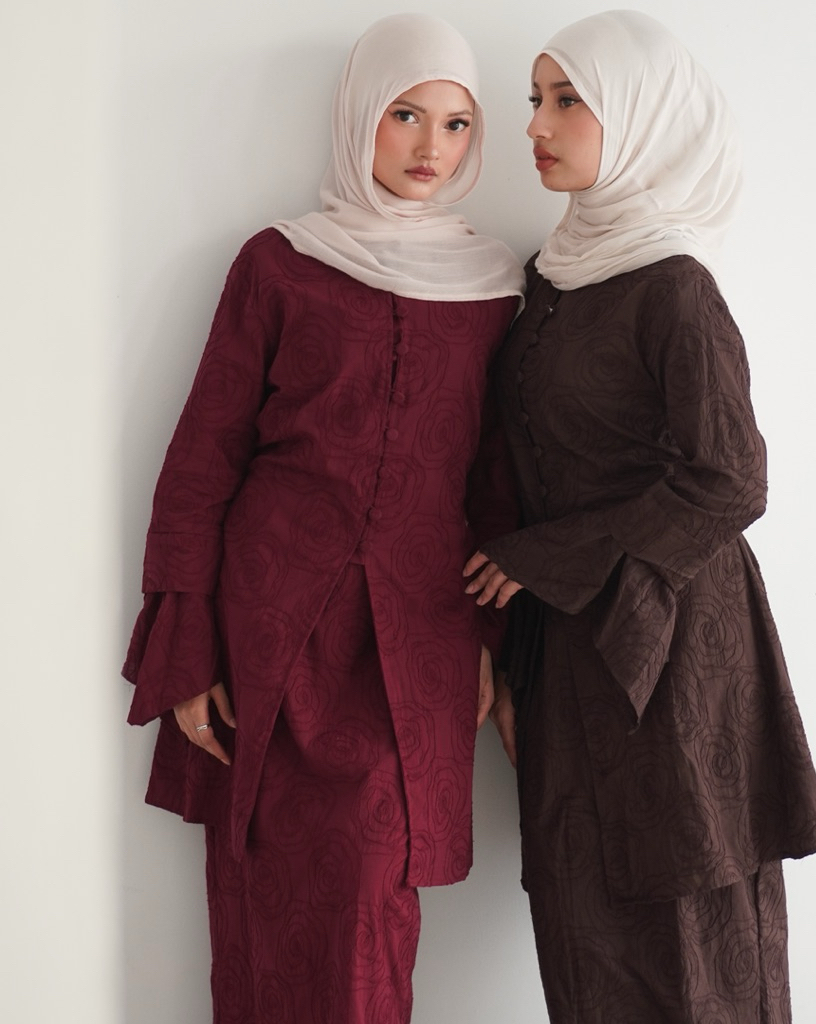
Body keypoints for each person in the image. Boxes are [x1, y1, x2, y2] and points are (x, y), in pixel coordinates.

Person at [122, 13, 523, 1023]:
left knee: (370, 905)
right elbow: (204, 458)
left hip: (414, 645)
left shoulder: (496, 290)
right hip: (270, 632)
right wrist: (186, 648)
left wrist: (492, 643)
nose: (431, 148)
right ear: (358, 114)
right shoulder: (279, 265)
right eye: (404, 114)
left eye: (457, 124)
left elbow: (497, 485)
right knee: (260, 896)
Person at [464, 10, 816, 1022]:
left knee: (694, 931)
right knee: (583, 930)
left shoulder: (676, 286)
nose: (536, 123)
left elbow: (733, 478)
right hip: (567, 648)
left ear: (639, 116)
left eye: (567, 100)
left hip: (673, 646)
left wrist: (545, 554)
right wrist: (511, 648)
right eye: (534, 99)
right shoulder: (549, 275)